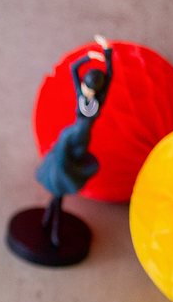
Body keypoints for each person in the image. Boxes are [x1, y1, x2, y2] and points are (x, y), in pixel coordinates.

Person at [35, 36, 114, 246]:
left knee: (61, 186)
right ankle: (53, 229)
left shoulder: (99, 100)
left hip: (82, 140)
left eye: (91, 89)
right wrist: (88, 57)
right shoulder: (80, 93)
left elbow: (111, 74)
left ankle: (48, 219)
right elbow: (72, 69)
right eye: (86, 87)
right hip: (70, 136)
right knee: (60, 179)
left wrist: (107, 52)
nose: (87, 91)